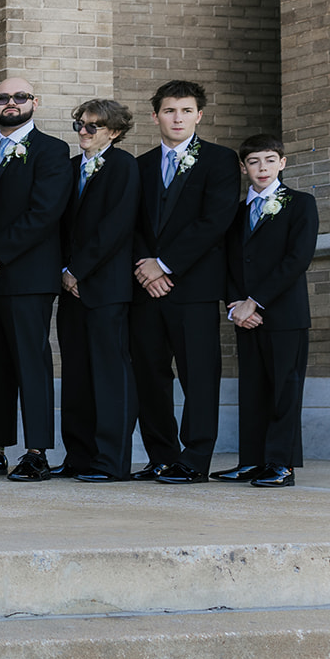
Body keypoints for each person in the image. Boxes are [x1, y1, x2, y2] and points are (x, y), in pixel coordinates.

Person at [129, 79, 241, 484]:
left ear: (199, 115)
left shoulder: (219, 160)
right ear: (155, 115)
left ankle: (194, 459)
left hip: (192, 288)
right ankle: (161, 455)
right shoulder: (137, 165)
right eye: (170, 110)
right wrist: (146, 267)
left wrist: (166, 264)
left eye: (186, 110)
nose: (178, 118)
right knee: (149, 375)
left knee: (199, 375)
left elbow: (215, 221)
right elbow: (131, 222)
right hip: (145, 289)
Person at [0, 77, 72, 482]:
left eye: (19, 97)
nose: (9, 103)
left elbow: (43, 213)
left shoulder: (51, 151)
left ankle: (36, 451)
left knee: (31, 362)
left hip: (27, 275)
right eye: (1, 98)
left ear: (35, 101)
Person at [213, 135, 318, 489]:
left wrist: (254, 301)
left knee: (284, 391)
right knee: (253, 390)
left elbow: (296, 260)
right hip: (244, 315)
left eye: (270, 160)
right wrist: (233, 305)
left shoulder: (301, 204)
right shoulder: (236, 212)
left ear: (282, 163)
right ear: (244, 167)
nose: (262, 168)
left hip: (284, 315)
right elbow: (226, 261)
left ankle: (280, 464)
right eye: (254, 162)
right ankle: (251, 461)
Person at [55, 99, 140, 482]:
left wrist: (78, 270)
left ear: (115, 132)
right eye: (80, 126)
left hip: (105, 287)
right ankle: (79, 455)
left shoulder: (123, 166)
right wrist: (63, 270)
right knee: (76, 373)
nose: (84, 132)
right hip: (70, 287)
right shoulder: (71, 168)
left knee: (109, 374)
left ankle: (111, 460)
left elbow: (115, 226)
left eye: (93, 126)